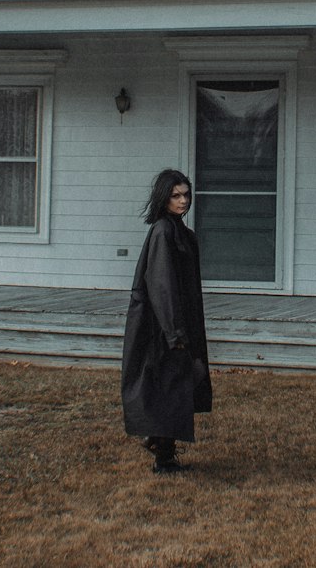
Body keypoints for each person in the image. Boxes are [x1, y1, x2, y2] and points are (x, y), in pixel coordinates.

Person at [121, 169, 212, 473]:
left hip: (176, 324)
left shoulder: (179, 232)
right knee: (169, 388)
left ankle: (161, 447)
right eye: (176, 195)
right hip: (161, 327)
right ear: (164, 197)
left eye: (186, 194)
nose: (183, 200)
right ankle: (161, 451)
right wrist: (174, 334)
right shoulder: (163, 231)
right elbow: (162, 285)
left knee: (175, 388)